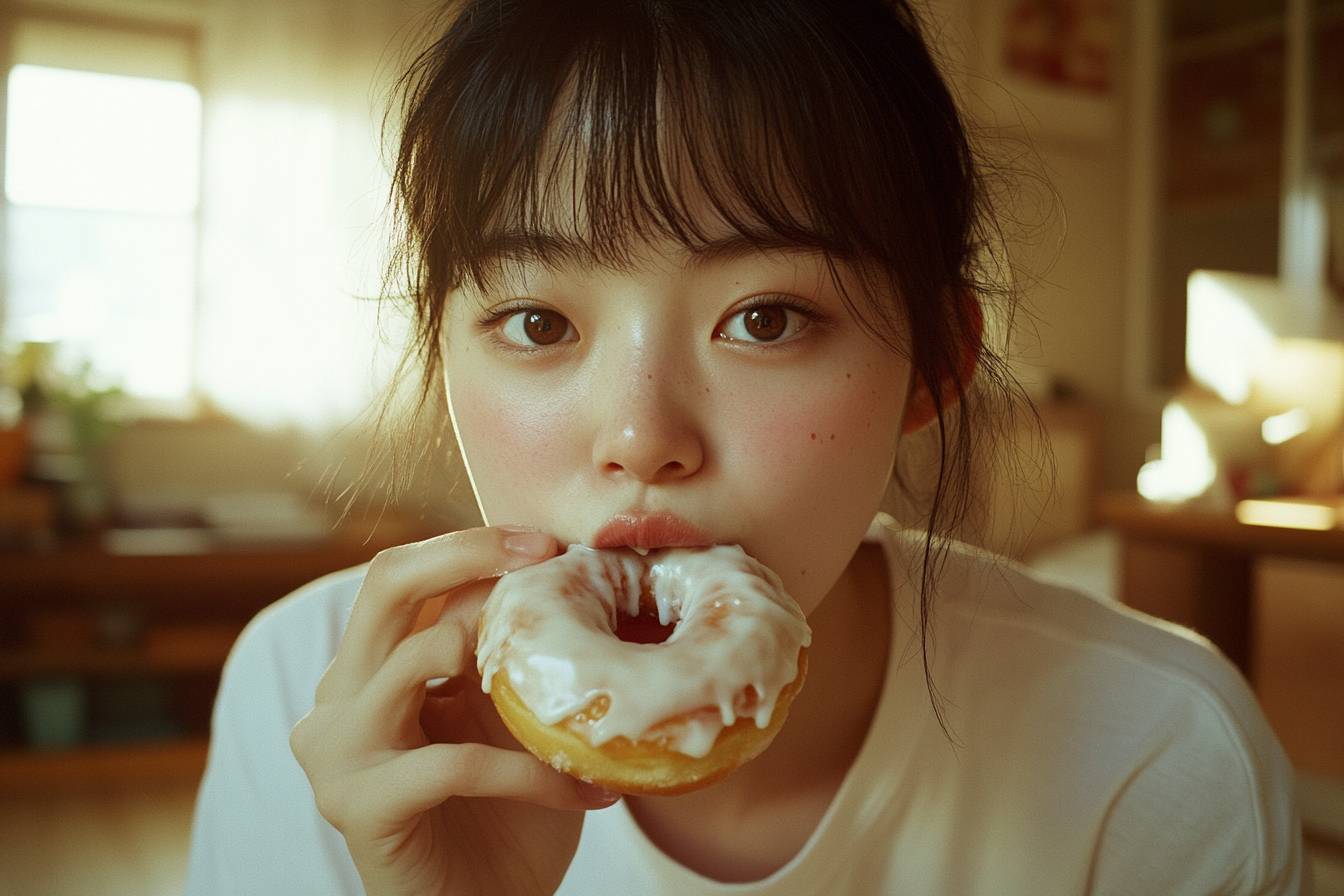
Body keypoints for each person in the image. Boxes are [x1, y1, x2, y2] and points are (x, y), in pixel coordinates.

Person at [185, 1, 1308, 893]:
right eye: (539, 322)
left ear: (934, 363)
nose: (640, 436)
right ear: (442, 353)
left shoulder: (1159, 755)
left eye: (765, 317)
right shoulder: (316, 695)